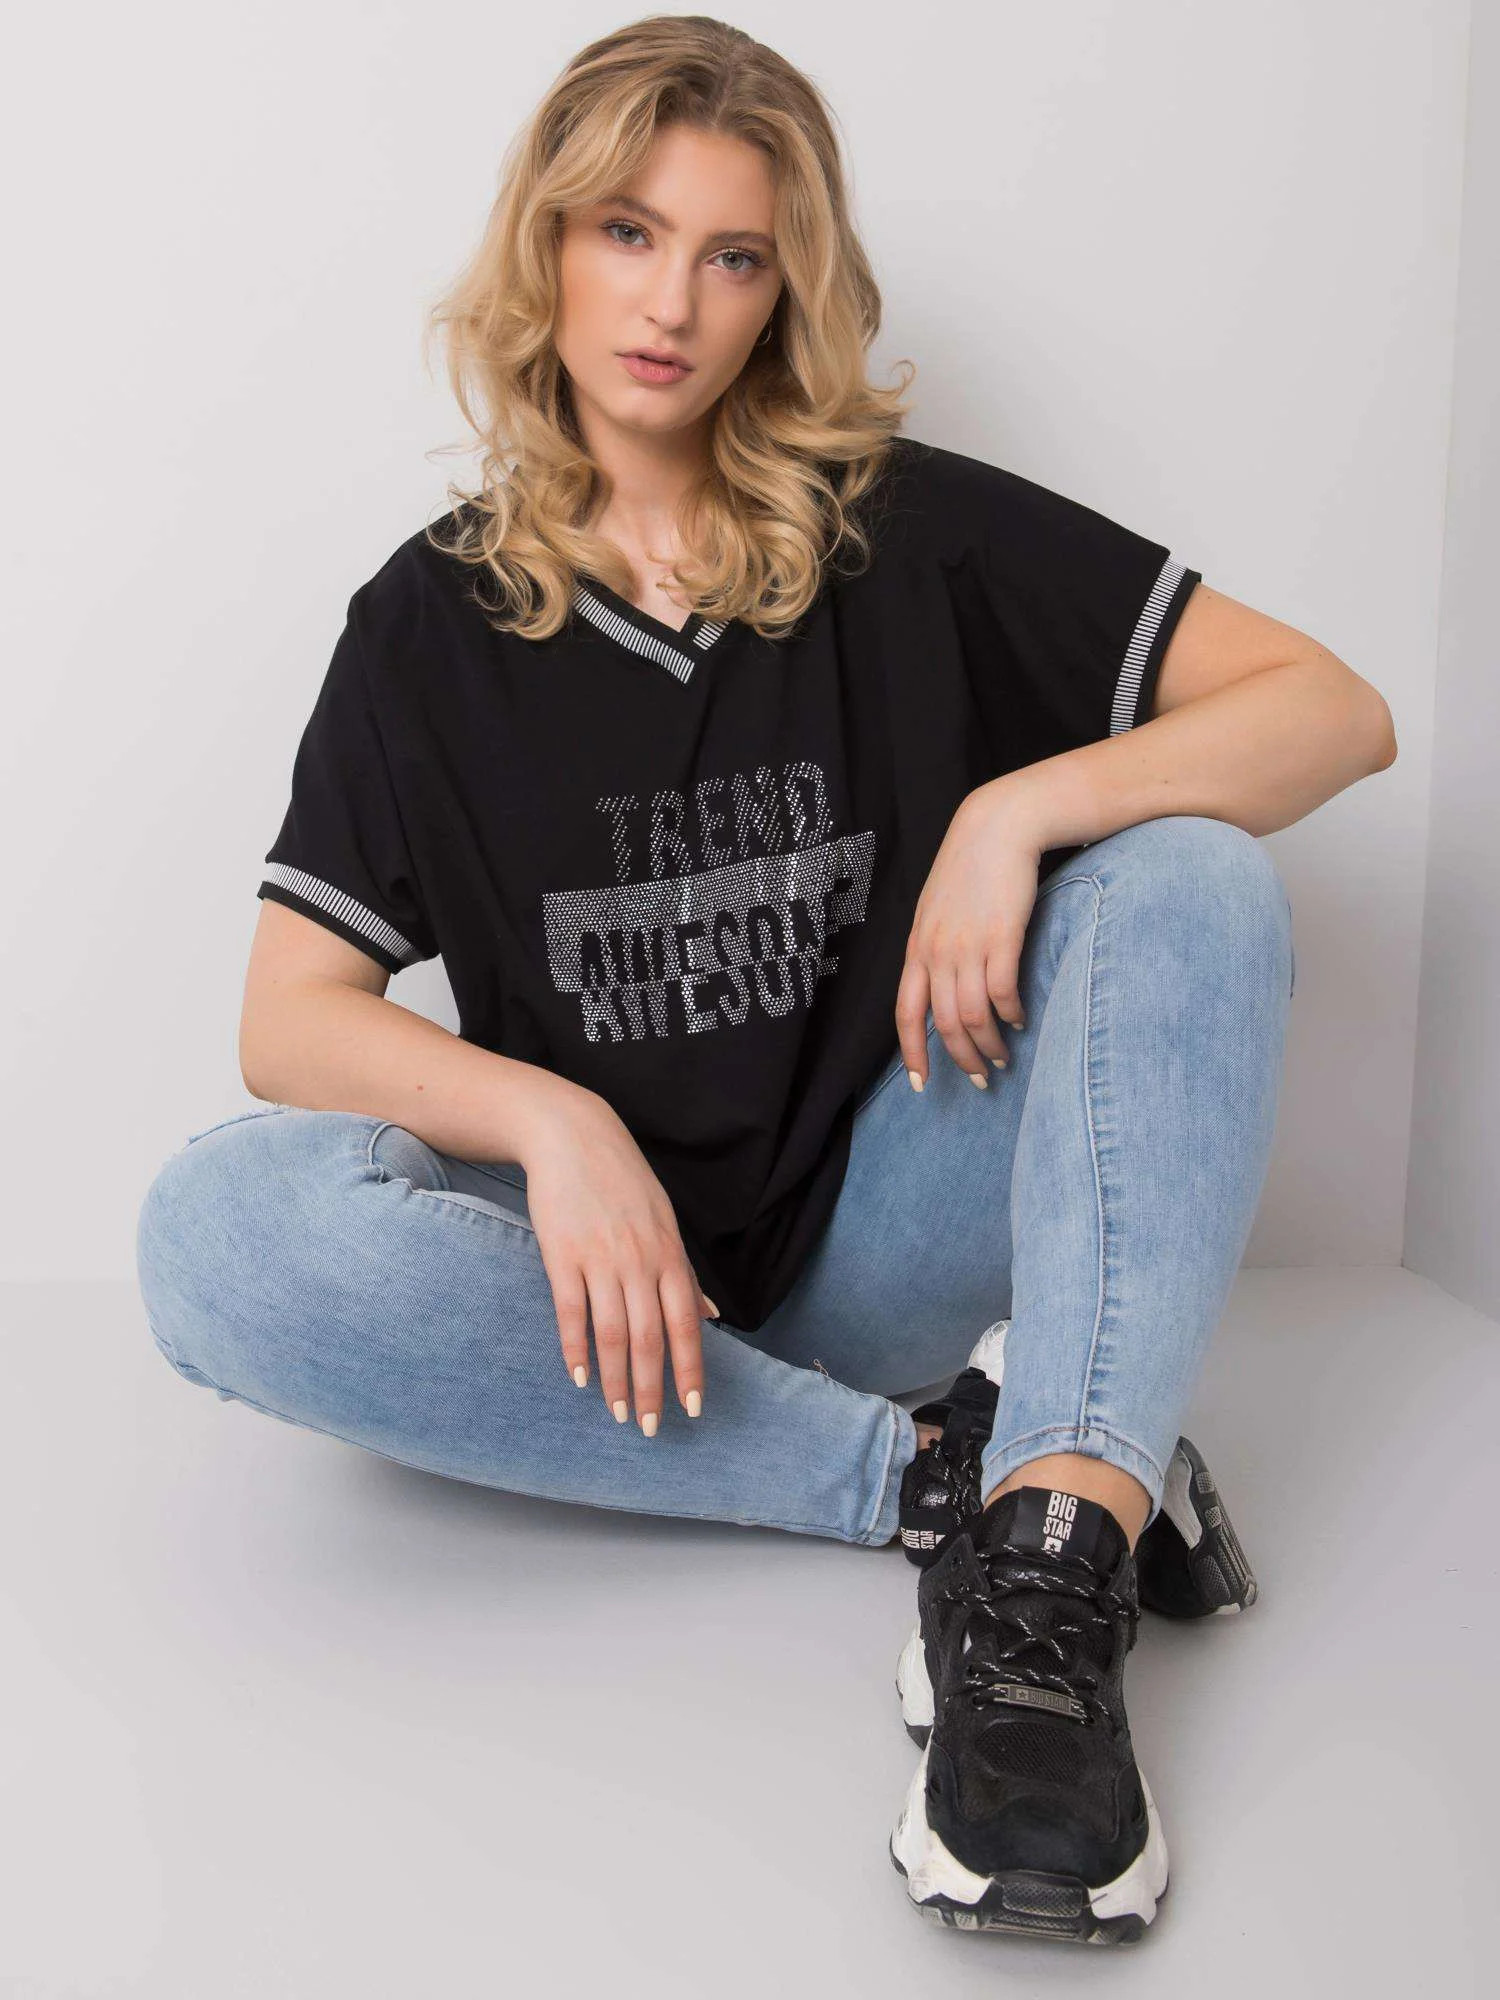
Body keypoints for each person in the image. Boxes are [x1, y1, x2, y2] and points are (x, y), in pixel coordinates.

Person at [134, 13, 1397, 1948]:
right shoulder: (425, 625)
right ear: (547, 248)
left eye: (733, 256)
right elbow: (283, 1021)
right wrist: (554, 1126)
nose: (673, 305)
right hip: (606, 1293)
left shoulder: (909, 534)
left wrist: (1021, 812)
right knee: (216, 1234)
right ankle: (942, 1478)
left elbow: (1334, 711)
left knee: (1191, 873)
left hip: (887, 1224)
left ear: (784, 292)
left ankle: (1049, 1582)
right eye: (628, 234)